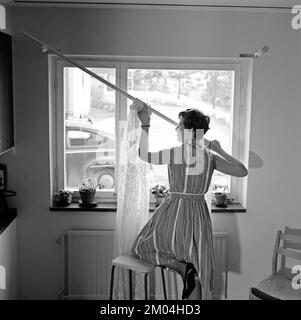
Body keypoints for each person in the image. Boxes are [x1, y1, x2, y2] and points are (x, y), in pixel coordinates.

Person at [131, 100, 248, 300]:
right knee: (196, 263)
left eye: (180, 124)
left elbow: (143, 155)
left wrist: (145, 124)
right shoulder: (210, 156)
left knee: (142, 247)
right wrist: (219, 149)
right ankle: (188, 271)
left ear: (188, 129)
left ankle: (183, 269)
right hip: (198, 214)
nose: (176, 128)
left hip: (174, 212)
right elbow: (242, 171)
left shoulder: (176, 152)